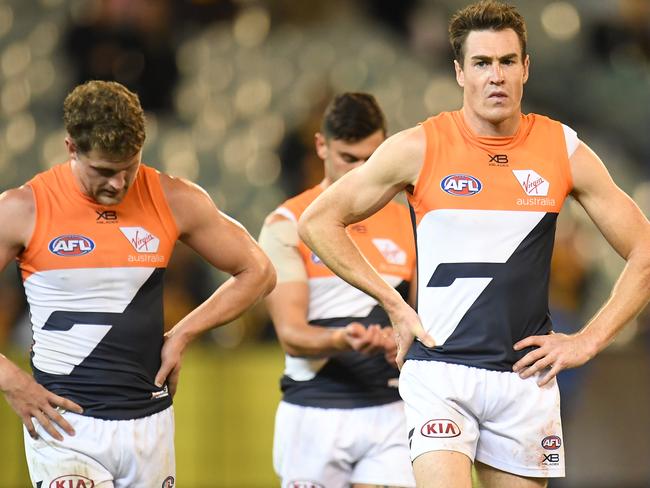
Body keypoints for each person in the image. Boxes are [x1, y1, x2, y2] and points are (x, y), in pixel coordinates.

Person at [297, 2, 650, 488]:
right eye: (482, 64)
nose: (496, 77)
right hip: (440, 368)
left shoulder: (562, 150)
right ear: (460, 72)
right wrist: (392, 304)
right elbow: (318, 222)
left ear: (526, 67)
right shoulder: (419, 147)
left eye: (507, 62)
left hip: (524, 379)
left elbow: (645, 254)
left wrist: (587, 340)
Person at [0, 80, 276, 488]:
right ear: (71, 148)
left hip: (149, 422)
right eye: (105, 172)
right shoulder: (23, 208)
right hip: (65, 424)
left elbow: (260, 272)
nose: (118, 184)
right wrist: (10, 379)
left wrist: (183, 334)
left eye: (130, 166)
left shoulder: (172, 197)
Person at [260, 93, 417, 487]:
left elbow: (422, 323)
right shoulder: (288, 224)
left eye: (372, 158)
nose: (362, 172)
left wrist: (402, 340)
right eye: (349, 158)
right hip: (315, 410)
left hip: (392, 410)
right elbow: (292, 335)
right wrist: (345, 339)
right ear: (321, 147)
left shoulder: (410, 222)